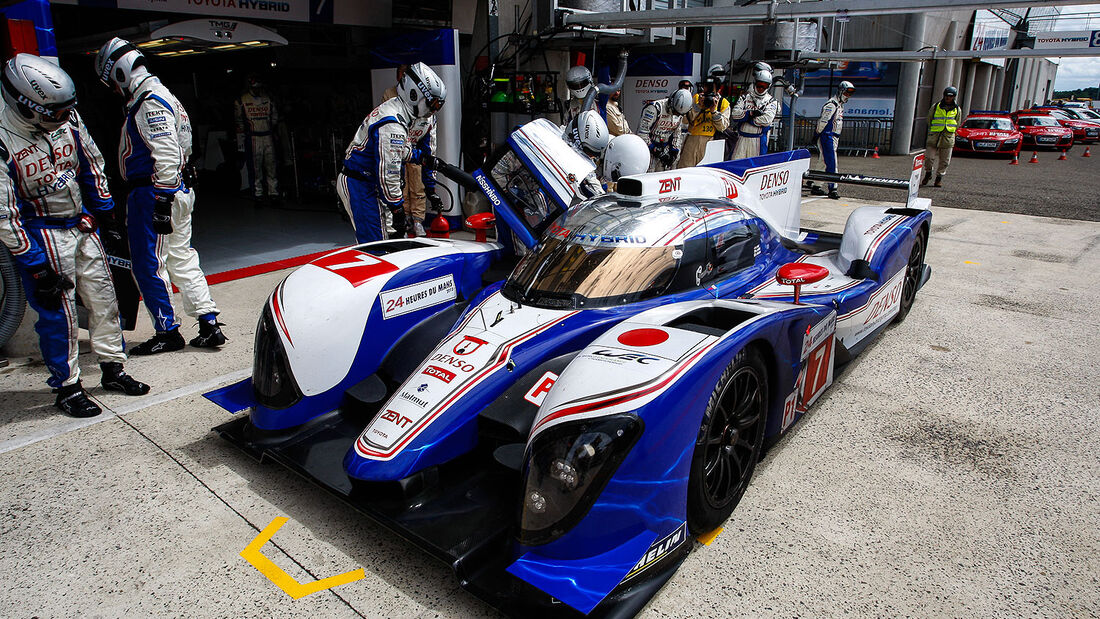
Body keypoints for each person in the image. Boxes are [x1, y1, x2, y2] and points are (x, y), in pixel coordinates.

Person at [0, 53, 150, 417]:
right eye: (55, 113)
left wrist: (105, 212)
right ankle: (67, 387)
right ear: (25, 105)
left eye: (68, 111)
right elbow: (3, 214)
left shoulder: (65, 116)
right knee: (59, 315)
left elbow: (92, 163)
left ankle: (114, 369)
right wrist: (34, 264)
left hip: (82, 225)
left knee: (104, 301)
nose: (64, 118)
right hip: (41, 234)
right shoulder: (3, 139)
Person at [95, 38, 226, 354]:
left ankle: (167, 331)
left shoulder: (149, 101)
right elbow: (185, 146)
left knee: (148, 264)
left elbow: (166, 152)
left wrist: (162, 200)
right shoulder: (168, 97)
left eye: (113, 82)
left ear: (120, 73)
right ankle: (208, 323)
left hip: (153, 193)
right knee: (182, 257)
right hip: (176, 189)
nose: (115, 89)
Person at [338, 62, 445, 243]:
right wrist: (397, 209)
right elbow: (389, 172)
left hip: (377, 184)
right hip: (360, 183)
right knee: (375, 245)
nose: (433, 110)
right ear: (415, 94)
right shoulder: (391, 121)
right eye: (431, 103)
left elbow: (416, 152)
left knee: (392, 240)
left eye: (437, 105)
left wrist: (430, 187)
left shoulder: (418, 117)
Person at [381, 65, 430, 237]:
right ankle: (405, 218)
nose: (402, 77)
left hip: (414, 146)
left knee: (417, 184)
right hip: (397, 147)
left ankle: (418, 220)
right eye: (399, 74)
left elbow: (425, 122)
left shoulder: (421, 96)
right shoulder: (390, 94)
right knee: (400, 184)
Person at [234, 74, 280, 204]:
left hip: (268, 135)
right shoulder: (241, 100)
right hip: (253, 137)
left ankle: (273, 192)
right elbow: (239, 121)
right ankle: (258, 194)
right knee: (255, 167)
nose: (257, 89)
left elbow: (275, 116)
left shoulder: (268, 99)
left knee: (271, 166)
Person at [807, 80, 855, 200]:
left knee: (823, 161)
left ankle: (816, 185)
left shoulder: (839, 105)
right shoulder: (831, 104)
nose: (847, 96)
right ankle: (832, 188)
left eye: (850, 94)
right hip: (827, 136)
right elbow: (823, 121)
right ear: (840, 91)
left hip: (833, 137)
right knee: (832, 163)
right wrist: (817, 134)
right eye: (846, 93)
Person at [679, 64, 732, 168]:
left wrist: (714, 111)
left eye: (710, 89)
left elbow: (722, 127)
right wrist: (698, 106)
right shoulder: (697, 98)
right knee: (685, 169)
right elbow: (685, 120)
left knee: (707, 171)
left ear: (719, 90)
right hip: (692, 139)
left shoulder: (723, 103)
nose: (706, 91)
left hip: (711, 141)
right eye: (705, 87)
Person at [728, 64, 778, 160]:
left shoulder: (772, 101)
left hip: (758, 140)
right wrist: (750, 114)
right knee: (736, 164)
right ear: (755, 83)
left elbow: (766, 120)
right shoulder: (745, 98)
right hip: (741, 138)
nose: (761, 89)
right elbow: (735, 114)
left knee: (755, 168)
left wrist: (747, 119)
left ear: (769, 86)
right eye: (759, 85)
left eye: (764, 86)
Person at [638, 89, 692, 171]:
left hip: (666, 149)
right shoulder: (654, 108)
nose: (676, 115)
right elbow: (642, 133)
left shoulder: (680, 113)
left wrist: (674, 151)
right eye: (675, 112)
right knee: (649, 175)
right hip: (649, 149)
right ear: (671, 102)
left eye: (679, 114)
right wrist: (656, 150)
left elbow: (677, 134)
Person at [563, 110, 610, 198]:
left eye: (593, 154)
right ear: (576, 138)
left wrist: (603, 200)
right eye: (589, 152)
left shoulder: (579, 159)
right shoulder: (554, 144)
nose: (590, 157)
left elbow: (593, 182)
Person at [924, 86, 959, 187]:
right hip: (934, 136)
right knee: (929, 158)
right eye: (947, 96)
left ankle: (939, 178)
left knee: (944, 161)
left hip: (947, 137)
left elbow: (957, 121)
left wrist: (951, 132)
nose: (948, 98)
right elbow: (929, 119)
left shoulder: (957, 109)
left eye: (951, 96)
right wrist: (933, 129)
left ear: (954, 97)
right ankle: (928, 173)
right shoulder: (936, 106)